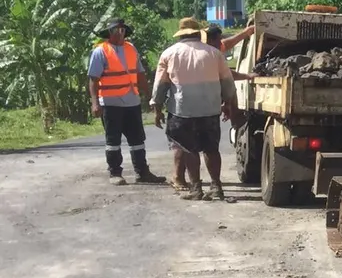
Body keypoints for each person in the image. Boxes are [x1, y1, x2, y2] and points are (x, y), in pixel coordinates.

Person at [152, 17, 244, 202]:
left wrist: (157, 109)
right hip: (210, 109)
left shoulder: (169, 54)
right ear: (198, 33)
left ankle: (196, 189)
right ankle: (216, 186)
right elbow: (228, 83)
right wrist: (228, 104)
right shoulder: (214, 54)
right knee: (211, 149)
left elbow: (160, 86)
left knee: (189, 150)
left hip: (182, 111)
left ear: (181, 35)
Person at [86, 18, 166, 186]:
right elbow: (93, 79)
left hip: (132, 101)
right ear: (110, 32)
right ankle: (115, 173)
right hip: (110, 103)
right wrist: (95, 103)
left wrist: (151, 96)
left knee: (137, 139)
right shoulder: (100, 51)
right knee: (113, 140)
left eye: (122, 29)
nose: (120, 32)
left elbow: (140, 74)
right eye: (116, 29)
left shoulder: (131, 49)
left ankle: (142, 172)